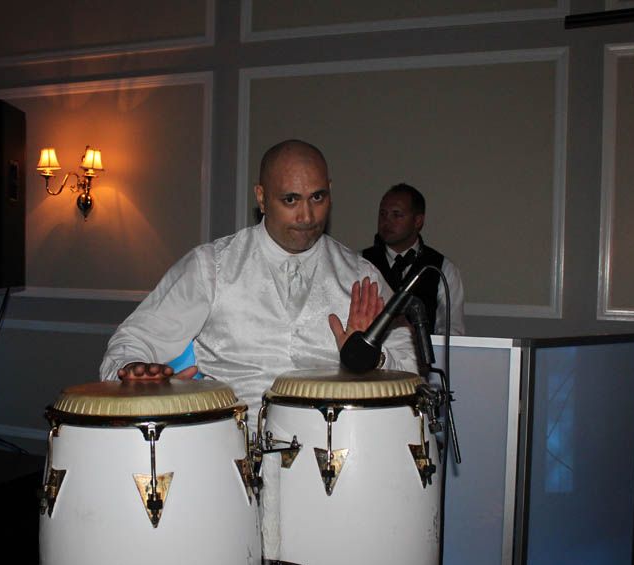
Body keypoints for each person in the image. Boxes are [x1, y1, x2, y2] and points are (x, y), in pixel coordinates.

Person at [100, 140, 418, 424]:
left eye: (318, 197)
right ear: (262, 198)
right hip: (229, 454)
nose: (307, 216)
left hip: (333, 457)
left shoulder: (361, 277)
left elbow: (413, 371)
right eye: (291, 200)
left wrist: (371, 357)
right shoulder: (210, 267)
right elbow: (132, 341)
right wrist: (133, 370)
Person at [362, 183, 465, 335]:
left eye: (396, 214)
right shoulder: (361, 262)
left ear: (418, 221)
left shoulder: (443, 269)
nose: (386, 221)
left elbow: (450, 334)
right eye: (383, 214)